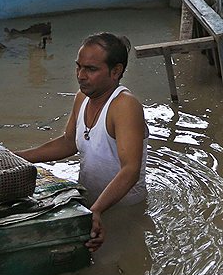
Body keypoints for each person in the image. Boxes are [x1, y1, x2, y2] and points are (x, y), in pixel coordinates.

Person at [16, 32, 148, 252]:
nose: (81, 75)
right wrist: (16, 157)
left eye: (91, 69)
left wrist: (96, 211)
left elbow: (131, 170)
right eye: (79, 67)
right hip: (91, 203)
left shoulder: (125, 106)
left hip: (122, 210)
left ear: (116, 71)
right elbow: (69, 142)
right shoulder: (82, 97)